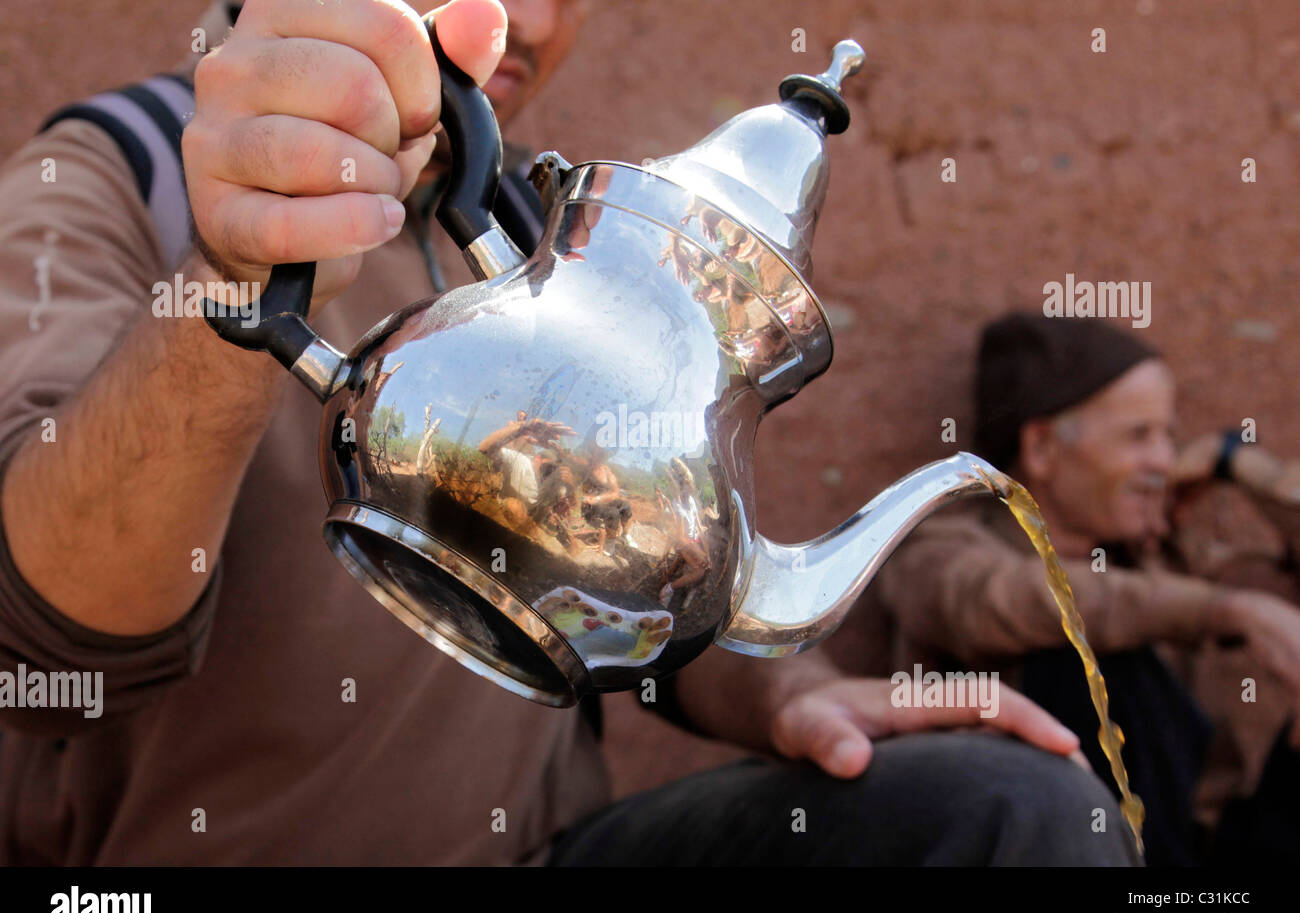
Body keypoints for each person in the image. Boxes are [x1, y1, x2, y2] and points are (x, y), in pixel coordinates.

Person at [0, 2, 1136, 866]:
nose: (531, 23)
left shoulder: (541, 231)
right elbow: (45, 634)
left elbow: (623, 600)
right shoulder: (122, 171)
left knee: (1017, 810)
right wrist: (237, 274)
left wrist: (785, 695)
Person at [834, 311, 1300, 865]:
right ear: (1042, 449)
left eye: (1169, 436)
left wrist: (1238, 463)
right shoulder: (943, 549)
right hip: (1037, 847)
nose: (1164, 461)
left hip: (1201, 871)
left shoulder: (1167, 560)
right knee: (1085, 656)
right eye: (1139, 436)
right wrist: (1229, 611)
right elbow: (1025, 602)